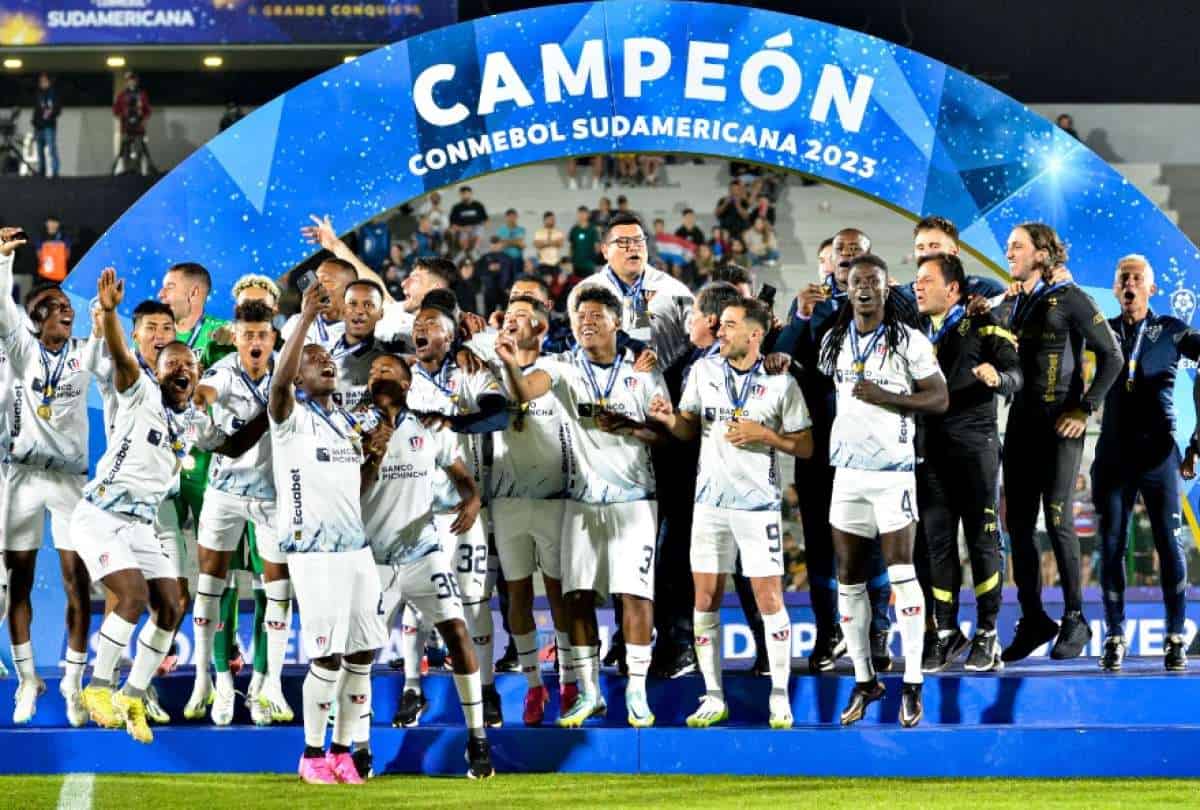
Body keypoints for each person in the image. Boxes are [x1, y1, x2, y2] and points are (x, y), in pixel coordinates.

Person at [495, 286, 669, 728]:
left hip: (634, 501)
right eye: (579, 316)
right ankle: (590, 692)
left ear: (616, 322)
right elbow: (524, 392)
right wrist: (511, 363)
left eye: (595, 315)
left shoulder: (642, 371)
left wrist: (631, 427)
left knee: (635, 595)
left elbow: (664, 435)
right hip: (581, 503)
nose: (586, 322)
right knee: (576, 597)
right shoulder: (562, 368)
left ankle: (637, 690)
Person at [649, 297, 812, 728]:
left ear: (755, 334)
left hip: (758, 507)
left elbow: (806, 446)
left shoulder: (780, 382)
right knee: (704, 599)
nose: (720, 331)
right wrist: (669, 419)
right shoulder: (703, 371)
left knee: (769, 598)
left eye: (729, 325)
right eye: (720, 324)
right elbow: (688, 428)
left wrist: (766, 435)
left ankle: (780, 695)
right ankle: (713, 695)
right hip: (709, 505)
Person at [73, 267, 214, 743]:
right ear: (157, 369)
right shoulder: (140, 390)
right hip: (100, 516)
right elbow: (120, 356)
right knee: (131, 597)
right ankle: (98, 685)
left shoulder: (192, 419)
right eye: (171, 364)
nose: (180, 370)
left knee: (172, 606)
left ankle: (132, 693)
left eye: (188, 364)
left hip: (141, 523)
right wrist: (110, 314)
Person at [821, 254, 948, 729]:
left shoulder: (908, 339)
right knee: (849, 579)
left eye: (872, 281)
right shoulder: (834, 340)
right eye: (856, 281)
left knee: (901, 573)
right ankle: (864, 680)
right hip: (847, 473)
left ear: (885, 288)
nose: (864, 288)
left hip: (893, 474)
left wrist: (888, 397)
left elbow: (939, 397)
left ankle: (912, 682)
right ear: (847, 288)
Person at [268, 282, 386, 785]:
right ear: (297, 374)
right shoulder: (289, 418)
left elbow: (355, 488)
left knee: (362, 654)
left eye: (328, 359)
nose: (326, 363)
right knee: (327, 655)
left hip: (356, 549)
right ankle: (311, 754)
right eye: (314, 361)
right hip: (313, 553)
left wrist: (374, 459)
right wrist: (302, 322)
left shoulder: (345, 423)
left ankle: (342, 750)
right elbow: (277, 387)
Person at [358, 354, 494, 778]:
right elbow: (349, 492)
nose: (377, 376)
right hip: (375, 559)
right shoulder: (352, 428)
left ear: (406, 383)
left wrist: (472, 498)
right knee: (361, 654)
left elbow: (460, 473)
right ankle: (359, 747)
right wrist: (372, 455)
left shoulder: (430, 429)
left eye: (386, 371)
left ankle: (477, 740)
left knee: (457, 631)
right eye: (373, 372)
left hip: (424, 553)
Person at [999, 223, 1122, 663]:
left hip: (1060, 427)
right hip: (1020, 425)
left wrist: (1085, 409)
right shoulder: (1016, 301)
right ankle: (1033, 618)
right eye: (1008, 246)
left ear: (1041, 253)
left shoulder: (1071, 298)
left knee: (1057, 519)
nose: (1008, 252)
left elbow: (1112, 355)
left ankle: (1075, 618)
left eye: (1017, 246)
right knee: (1017, 526)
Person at [774, 230, 892, 673]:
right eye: (841, 249)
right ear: (830, 260)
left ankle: (878, 630)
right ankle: (829, 632)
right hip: (820, 445)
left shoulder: (892, 302)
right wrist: (801, 316)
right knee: (820, 543)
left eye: (856, 248)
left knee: (873, 540)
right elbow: (778, 359)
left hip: (871, 444)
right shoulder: (810, 302)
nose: (847, 254)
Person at [0, 228, 103, 726]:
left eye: (69, 307)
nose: (67, 311)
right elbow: (4, 314)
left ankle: (72, 684)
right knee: (16, 582)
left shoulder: (85, 352)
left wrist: (107, 320)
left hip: (69, 482)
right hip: (21, 477)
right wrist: (3, 263)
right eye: (56, 306)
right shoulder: (23, 352)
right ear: (37, 317)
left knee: (76, 582)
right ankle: (27, 681)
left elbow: (117, 362)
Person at [399, 293, 509, 727]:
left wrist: (453, 422)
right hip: (416, 511)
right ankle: (412, 689)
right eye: (417, 324)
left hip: (465, 508)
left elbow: (498, 416)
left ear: (451, 335)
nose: (420, 329)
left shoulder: (471, 369)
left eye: (431, 324)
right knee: (415, 604)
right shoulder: (403, 377)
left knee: (474, 601)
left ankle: (487, 690)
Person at [912, 253, 1022, 673]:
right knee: (938, 544)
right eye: (917, 280)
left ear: (953, 288)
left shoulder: (983, 323)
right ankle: (945, 631)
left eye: (927, 280)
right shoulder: (914, 332)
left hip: (975, 450)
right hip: (930, 453)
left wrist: (999, 379)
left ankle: (988, 632)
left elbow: (1016, 374)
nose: (917, 286)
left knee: (981, 541)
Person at [184, 301, 288, 727]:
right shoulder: (225, 371)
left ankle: (268, 686)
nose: (255, 342)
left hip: (273, 497)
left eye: (262, 334)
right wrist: (199, 401)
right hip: (225, 493)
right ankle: (214, 683)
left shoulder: (287, 371)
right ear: (237, 338)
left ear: (273, 337)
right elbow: (207, 392)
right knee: (210, 584)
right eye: (248, 335)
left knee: (278, 589)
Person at [1094, 255, 1197, 672]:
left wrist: (1196, 442)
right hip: (1113, 456)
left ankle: (1175, 636)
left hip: (1159, 456)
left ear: (1151, 288)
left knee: (1169, 545)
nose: (1130, 284)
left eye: (1138, 278)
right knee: (1110, 546)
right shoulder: (1100, 330)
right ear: (1115, 288)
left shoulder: (1171, 329)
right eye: (1124, 278)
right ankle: (1115, 636)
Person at [481, 296, 575, 724]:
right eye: (509, 315)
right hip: (508, 501)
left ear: (541, 328)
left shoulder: (555, 369)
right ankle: (534, 684)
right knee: (516, 596)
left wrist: (505, 361)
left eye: (523, 316)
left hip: (553, 500)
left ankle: (568, 679)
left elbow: (522, 394)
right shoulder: (489, 371)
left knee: (558, 594)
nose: (513, 321)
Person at [577, 212, 695, 368]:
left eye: (638, 241)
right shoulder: (587, 292)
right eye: (623, 242)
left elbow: (697, 339)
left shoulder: (674, 290)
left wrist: (673, 370)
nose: (632, 247)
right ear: (605, 250)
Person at [278, 258, 357, 353]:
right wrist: (305, 320)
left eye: (326, 281)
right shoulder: (295, 322)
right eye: (316, 279)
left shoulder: (360, 332)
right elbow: (284, 360)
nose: (315, 287)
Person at [112, 72, 153, 175]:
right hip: (126, 127)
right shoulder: (122, 95)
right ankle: (127, 170)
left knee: (139, 149)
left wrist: (143, 120)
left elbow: (148, 110)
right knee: (125, 149)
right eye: (129, 80)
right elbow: (115, 110)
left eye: (133, 80)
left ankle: (137, 170)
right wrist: (123, 115)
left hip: (139, 128)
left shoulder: (142, 95)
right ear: (126, 82)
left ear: (136, 81)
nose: (131, 82)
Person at [32, 73, 61, 177]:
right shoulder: (38, 94)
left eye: (44, 81)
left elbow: (58, 109)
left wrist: (51, 113)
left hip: (49, 126)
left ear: (49, 82)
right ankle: (42, 170)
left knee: (51, 148)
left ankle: (55, 171)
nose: (42, 83)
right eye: (41, 81)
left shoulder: (53, 94)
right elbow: (36, 110)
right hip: (39, 126)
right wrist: (34, 122)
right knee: (39, 150)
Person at [449, 186, 489, 251]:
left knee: (478, 234)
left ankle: (475, 250)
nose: (465, 196)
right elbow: (452, 225)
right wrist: (463, 229)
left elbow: (486, 220)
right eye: (462, 194)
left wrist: (482, 227)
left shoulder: (478, 205)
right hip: (463, 229)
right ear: (460, 195)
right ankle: (466, 251)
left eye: (466, 193)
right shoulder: (456, 207)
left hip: (476, 227)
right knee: (464, 243)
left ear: (471, 194)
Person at [569, 205, 600, 277]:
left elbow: (597, 247)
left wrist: (594, 260)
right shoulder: (574, 229)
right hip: (576, 264)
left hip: (589, 264)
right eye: (580, 213)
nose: (582, 216)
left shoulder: (593, 229)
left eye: (584, 213)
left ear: (588, 215)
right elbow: (571, 247)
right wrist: (570, 262)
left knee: (589, 283)